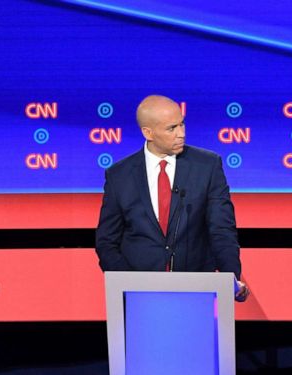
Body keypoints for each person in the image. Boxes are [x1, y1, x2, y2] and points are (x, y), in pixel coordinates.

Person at [95, 95, 248, 300]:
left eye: (182, 124)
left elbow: (221, 229)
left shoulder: (207, 166)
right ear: (148, 133)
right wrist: (128, 284)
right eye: (172, 128)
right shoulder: (119, 175)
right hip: (139, 294)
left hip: (196, 289)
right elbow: (107, 242)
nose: (181, 134)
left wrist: (231, 279)